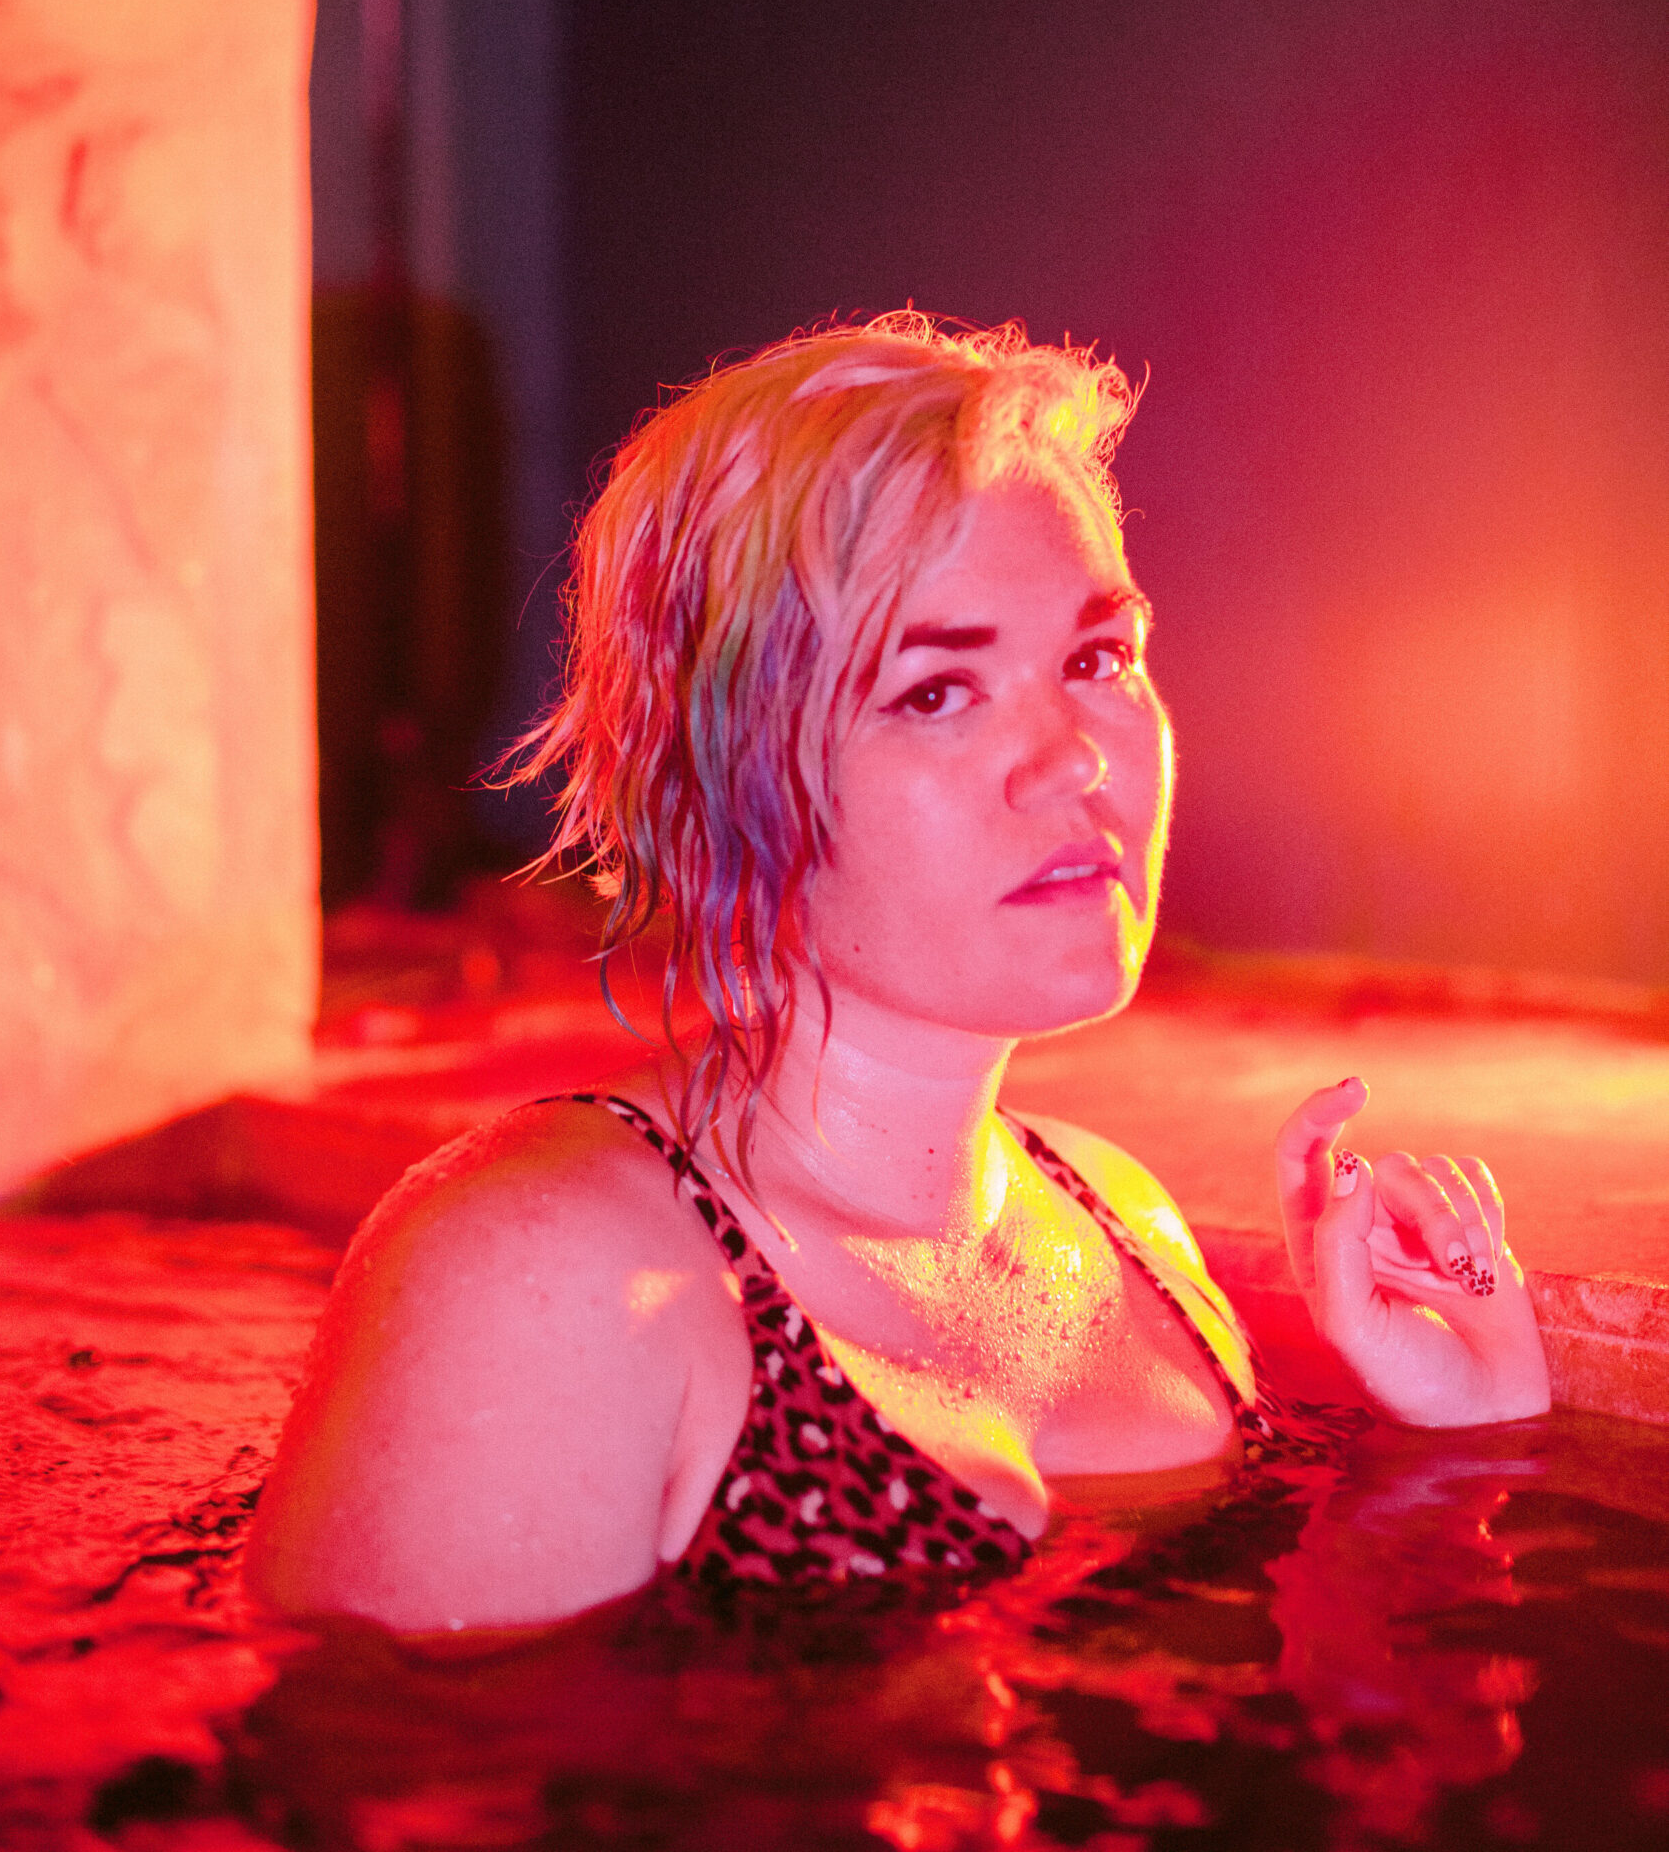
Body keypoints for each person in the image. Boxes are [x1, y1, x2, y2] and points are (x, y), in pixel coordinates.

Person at [246, 315, 1549, 1630]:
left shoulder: (1121, 1222)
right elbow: (375, 1793)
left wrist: (1464, 1443)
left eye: (1097, 661)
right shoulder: (540, 1275)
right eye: (935, 692)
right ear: (718, 794)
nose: (1078, 758)